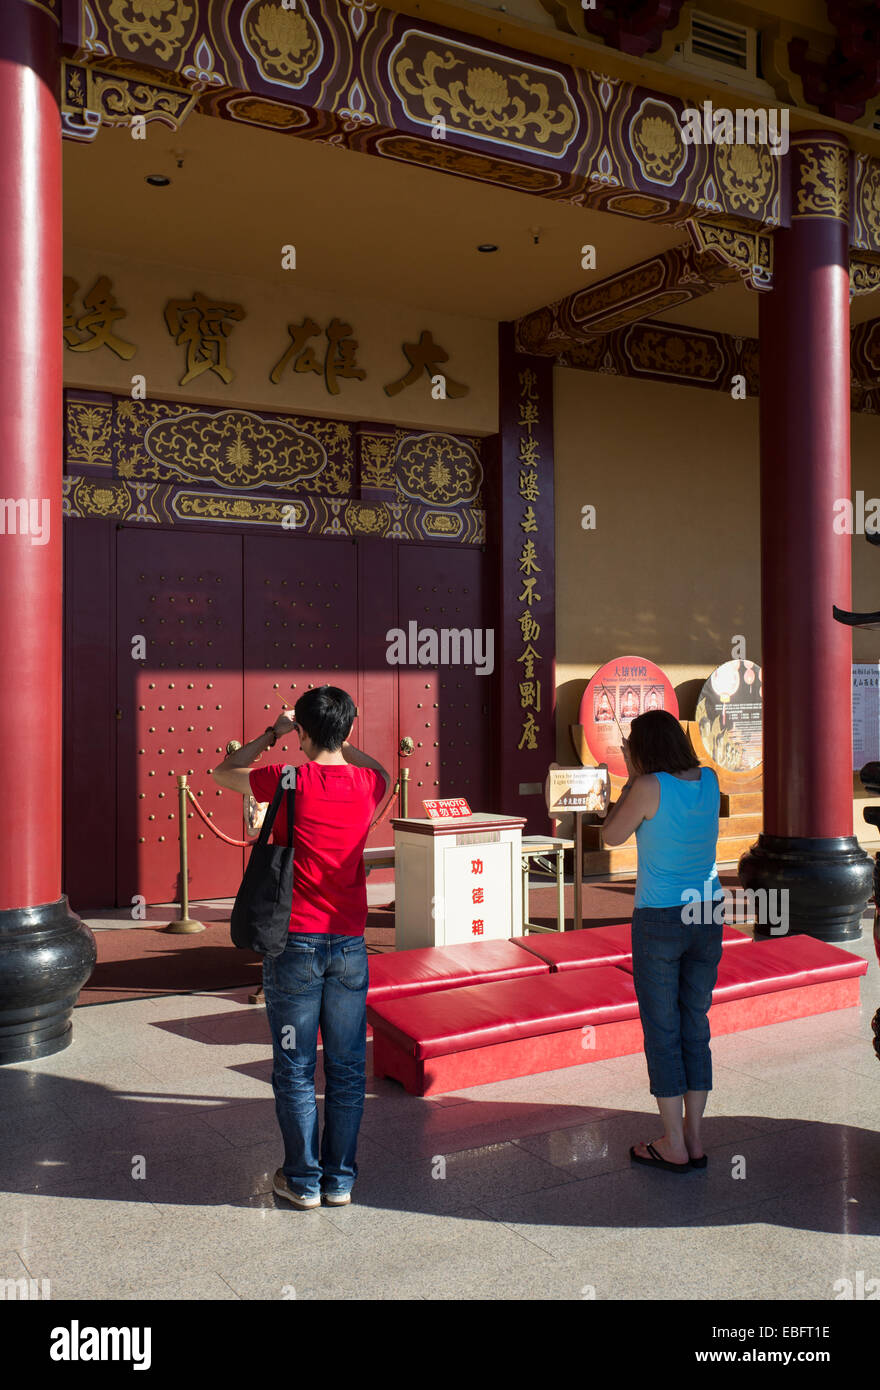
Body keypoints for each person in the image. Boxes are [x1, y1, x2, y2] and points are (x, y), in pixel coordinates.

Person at [212, 686, 389, 1209]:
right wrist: (339, 739)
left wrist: (276, 732)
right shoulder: (368, 782)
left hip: (294, 943)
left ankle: (303, 1180)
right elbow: (374, 763)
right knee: (347, 1066)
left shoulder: (289, 776)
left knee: (294, 1065)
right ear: (350, 730)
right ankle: (340, 1181)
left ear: (304, 733)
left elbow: (224, 772)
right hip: (350, 946)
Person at [600, 709, 723, 1174]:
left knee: (663, 1028)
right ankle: (694, 1137)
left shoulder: (648, 787)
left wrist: (633, 778)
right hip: (707, 910)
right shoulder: (709, 780)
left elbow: (611, 835)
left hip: (660, 918)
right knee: (695, 1021)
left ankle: (672, 1143)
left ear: (643, 749)